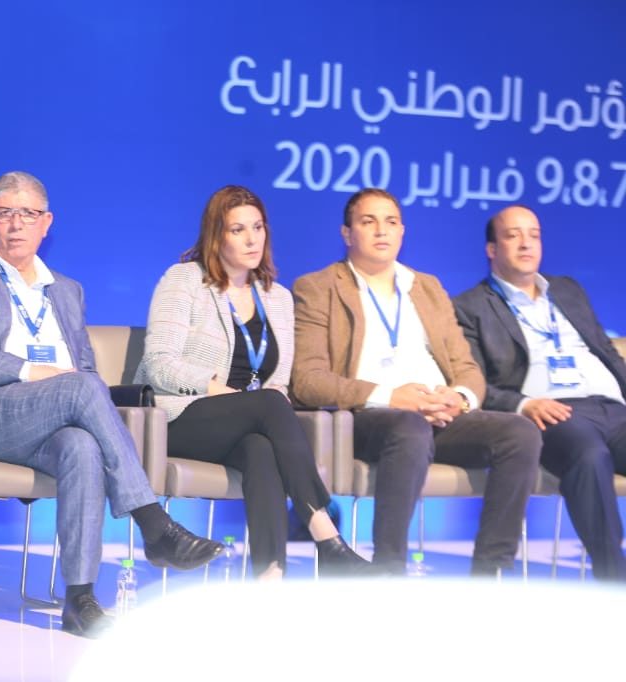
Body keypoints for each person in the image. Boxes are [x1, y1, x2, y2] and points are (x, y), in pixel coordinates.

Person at [0, 171, 223, 638]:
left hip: (53, 416)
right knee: (79, 388)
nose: (16, 223)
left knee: (82, 445)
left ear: (47, 223)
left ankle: (80, 599)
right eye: (5, 212)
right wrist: (26, 370)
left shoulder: (67, 290)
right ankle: (153, 522)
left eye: (28, 214)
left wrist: (65, 383)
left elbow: (85, 369)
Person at [290, 188, 542, 576]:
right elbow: (307, 380)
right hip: (368, 417)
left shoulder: (426, 287)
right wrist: (392, 397)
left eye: (391, 222)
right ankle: (389, 568)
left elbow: (467, 368)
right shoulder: (318, 287)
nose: (381, 230)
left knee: (520, 433)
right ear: (347, 233)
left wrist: (458, 398)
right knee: (409, 426)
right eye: (368, 221)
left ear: (402, 231)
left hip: (439, 413)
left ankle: (491, 572)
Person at [134, 185, 372, 579]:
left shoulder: (277, 297)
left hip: (248, 423)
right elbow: (159, 365)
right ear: (216, 235)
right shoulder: (184, 280)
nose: (251, 239)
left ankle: (270, 576)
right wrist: (224, 393)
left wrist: (259, 402)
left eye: (258, 227)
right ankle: (326, 536)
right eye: (238, 229)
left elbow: (277, 382)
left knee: (260, 448)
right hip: (178, 419)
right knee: (270, 404)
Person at [454, 205, 626, 580]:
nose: (526, 243)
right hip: (554, 413)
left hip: (615, 408)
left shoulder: (567, 290)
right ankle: (615, 582)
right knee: (590, 455)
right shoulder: (471, 307)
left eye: (534, 235)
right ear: (491, 249)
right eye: (513, 235)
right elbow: (474, 382)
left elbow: (606, 351)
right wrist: (523, 405)